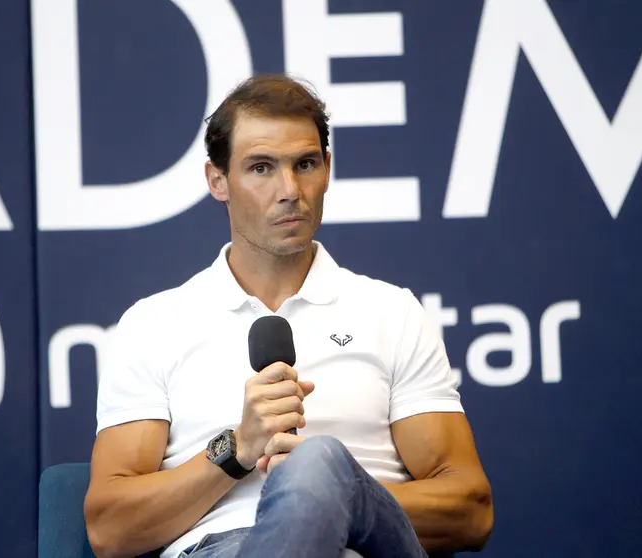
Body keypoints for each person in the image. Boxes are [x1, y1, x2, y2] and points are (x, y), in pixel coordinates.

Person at [84, 74, 493, 558]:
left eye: (305, 164)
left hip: (364, 547)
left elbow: (470, 510)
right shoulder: (154, 324)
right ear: (218, 180)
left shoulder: (392, 312)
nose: (290, 189)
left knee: (319, 463)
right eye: (261, 168)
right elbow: (109, 529)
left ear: (328, 169)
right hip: (221, 549)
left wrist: (334, 492)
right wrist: (236, 448)